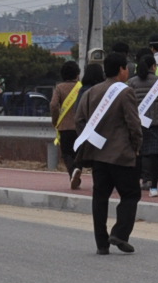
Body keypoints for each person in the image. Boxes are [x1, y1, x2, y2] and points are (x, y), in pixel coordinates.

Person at [67, 52, 143, 254]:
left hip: (98, 156)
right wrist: (136, 146)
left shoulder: (91, 92)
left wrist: (92, 142)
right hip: (121, 155)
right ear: (120, 69)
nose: (128, 71)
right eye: (126, 67)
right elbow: (134, 124)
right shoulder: (125, 92)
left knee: (100, 197)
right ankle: (119, 232)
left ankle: (101, 243)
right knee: (130, 194)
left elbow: (79, 120)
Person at [129, 49, 158, 195]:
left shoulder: (131, 82)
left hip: (137, 122)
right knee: (155, 155)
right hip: (157, 122)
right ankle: (153, 187)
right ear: (154, 66)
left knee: (139, 153)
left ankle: (142, 181)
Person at [50, 59, 87, 190]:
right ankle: (77, 169)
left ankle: (73, 172)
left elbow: (54, 105)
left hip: (65, 127)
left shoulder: (59, 88)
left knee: (67, 153)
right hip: (80, 127)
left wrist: (55, 121)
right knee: (79, 153)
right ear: (77, 74)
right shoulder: (81, 87)